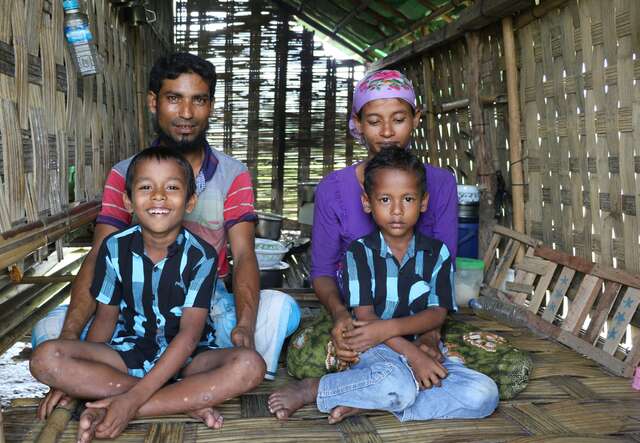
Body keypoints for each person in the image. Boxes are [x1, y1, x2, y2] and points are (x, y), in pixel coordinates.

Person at [33, 52, 300, 420]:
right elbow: (98, 260)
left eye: (198, 100)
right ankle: (182, 398)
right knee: (49, 336)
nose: (186, 113)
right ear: (153, 102)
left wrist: (244, 326)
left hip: (206, 304)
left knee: (278, 313)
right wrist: (72, 337)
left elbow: (245, 257)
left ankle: (124, 394)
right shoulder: (124, 174)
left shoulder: (231, 175)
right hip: (133, 310)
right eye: (174, 98)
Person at [30, 147, 266, 442]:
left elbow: (189, 336)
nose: (158, 196)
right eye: (145, 187)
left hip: (189, 359)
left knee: (250, 366)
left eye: (171, 187)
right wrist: (79, 374)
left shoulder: (200, 256)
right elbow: (105, 320)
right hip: (129, 351)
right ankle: (182, 400)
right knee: (45, 358)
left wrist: (131, 399)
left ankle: (132, 405)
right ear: (128, 200)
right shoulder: (114, 248)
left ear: (190, 200)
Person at [268, 148, 498, 423]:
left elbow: (437, 314)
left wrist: (417, 352)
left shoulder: (438, 254)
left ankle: (369, 400)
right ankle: (314, 388)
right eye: (386, 199)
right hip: (375, 348)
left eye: (408, 199)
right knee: (395, 382)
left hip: (417, 345)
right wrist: (411, 354)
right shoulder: (359, 253)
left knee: (484, 394)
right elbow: (366, 320)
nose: (397, 210)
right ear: (368, 202)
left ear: (423, 202)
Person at [282, 70, 457, 380]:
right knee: (304, 359)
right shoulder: (333, 189)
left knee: (511, 369)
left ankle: (372, 383)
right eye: (375, 121)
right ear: (359, 124)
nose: (387, 132)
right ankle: (394, 380)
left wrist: (430, 338)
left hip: (423, 319)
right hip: (357, 319)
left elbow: (445, 270)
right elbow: (322, 272)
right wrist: (339, 316)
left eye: (399, 119)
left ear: (416, 118)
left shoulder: (441, 184)